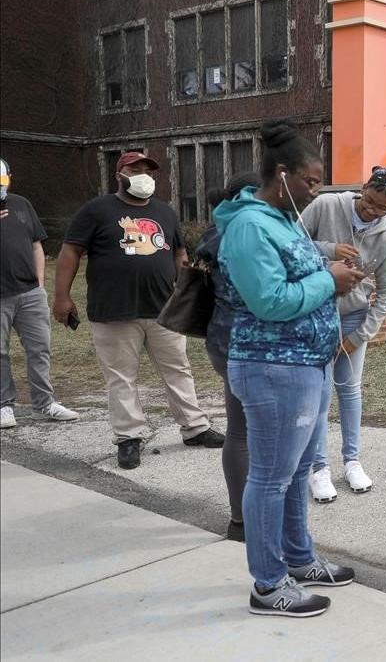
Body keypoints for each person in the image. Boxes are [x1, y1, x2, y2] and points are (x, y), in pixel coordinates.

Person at [215, 119, 364, 618]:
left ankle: (298, 559)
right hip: (273, 368)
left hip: (309, 365)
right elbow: (270, 301)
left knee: (300, 470)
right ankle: (267, 584)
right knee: (272, 477)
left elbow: (298, 268)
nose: (317, 190)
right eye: (312, 180)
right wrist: (331, 281)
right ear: (283, 176)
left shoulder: (281, 222)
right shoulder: (250, 225)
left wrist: (330, 266)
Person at [53, 151, 223, 469]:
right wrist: (61, 297)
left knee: (178, 369)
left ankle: (195, 428)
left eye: (148, 168)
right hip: (113, 310)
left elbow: (178, 252)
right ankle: (128, 437)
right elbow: (70, 252)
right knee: (121, 377)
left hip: (163, 309)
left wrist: (183, 284)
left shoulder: (165, 212)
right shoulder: (96, 210)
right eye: (135, 167)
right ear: (120, 173)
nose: (143, 173)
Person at [301, 167, 386, 503]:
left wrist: (359, 337)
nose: (370, 211)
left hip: (352, 319)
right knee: (319, 393)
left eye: (381, 209)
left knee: (349, 390)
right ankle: (318, 468)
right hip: (315, 312)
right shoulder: (327, 205)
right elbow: (292, 244)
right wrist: (330, 250)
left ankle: (352, 461)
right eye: (369, 201)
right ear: (363, 189)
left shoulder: (385, 238)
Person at [196, 172, 260, 541]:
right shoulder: (248, 234)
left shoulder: (214, 231)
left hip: (221, 340)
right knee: (253, 435)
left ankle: (240, 519)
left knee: (239, 432)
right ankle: (253, 518)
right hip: (249, 345)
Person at [0, 158, 79, 429]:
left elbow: (36, 245)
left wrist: (39, 284)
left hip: (30, 292)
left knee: (39, 349)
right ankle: (4, 406)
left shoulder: (21, 204)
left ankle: (44, 404)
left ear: (9, 177)